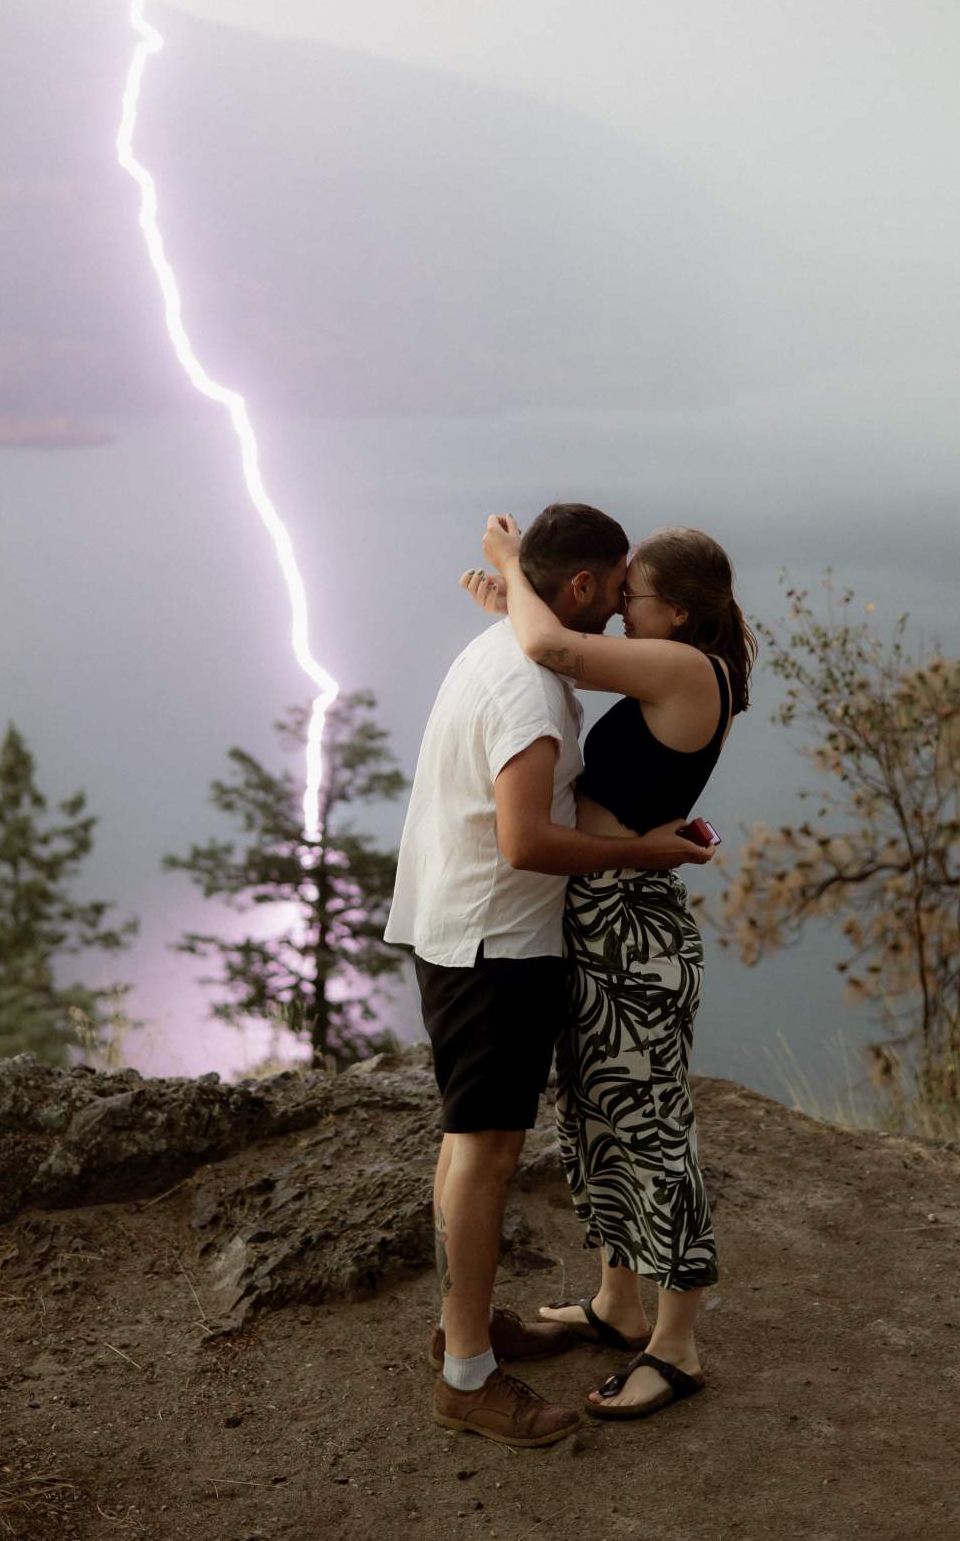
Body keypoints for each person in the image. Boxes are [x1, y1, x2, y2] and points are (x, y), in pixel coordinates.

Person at [385, 503, 713, 1449]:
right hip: (495, 944)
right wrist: (643, 854)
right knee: (484, 1153)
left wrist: (508, 580)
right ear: (582, 586)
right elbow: (525, 839)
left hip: (466, 933)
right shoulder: (529, 689)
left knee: (468, 1145)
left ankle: (469, 1331)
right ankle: (468, 1377)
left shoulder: (504, 650)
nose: (619, 602)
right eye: (616, 586)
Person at [465, 513, 755, 1422]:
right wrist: (510, 599)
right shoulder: (678, 664)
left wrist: (513, 565)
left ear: (674, 607)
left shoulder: (688, 669)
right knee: (598, 1117)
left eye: (630, 595)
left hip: (633, 930)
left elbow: (552, 643)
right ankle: (618, 1304)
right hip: (600, 916)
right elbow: (548, 639)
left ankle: (677, 1345)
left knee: (654, 1130)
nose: (619, 608)